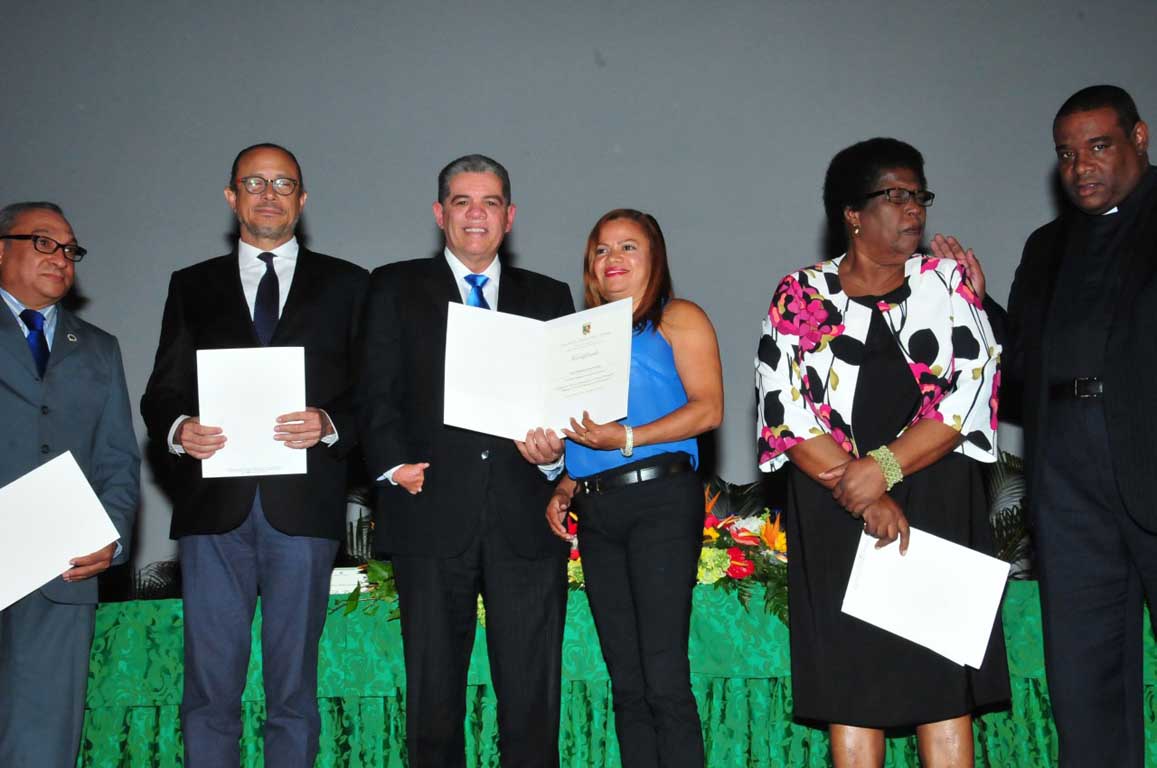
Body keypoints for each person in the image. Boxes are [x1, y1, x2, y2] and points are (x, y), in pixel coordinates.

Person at [755, 138, 1008, 767]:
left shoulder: (946, 285)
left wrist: (885, 469)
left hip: (938, 506)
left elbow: (971, 390)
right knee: (853, 690)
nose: (913, 207)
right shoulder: (799, 294)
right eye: (894, 194)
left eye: (918, 193)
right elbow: (784, 413)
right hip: (836, 508)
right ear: (853, 212)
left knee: (942, 689)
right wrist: (867, 496)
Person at [140, 143, 368, 767]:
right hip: (215, 509)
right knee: (210, 691)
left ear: (303, 199)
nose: (269, 194)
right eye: (255, 183)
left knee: (292, 692)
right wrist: (179, 426)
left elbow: (373, 395)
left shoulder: (350, 284)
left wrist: (327, 422)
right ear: (232, 197)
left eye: (284, 183)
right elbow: (162, 390)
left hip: (304, 509)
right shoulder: (191, 285)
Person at [358, 154, 576, 767]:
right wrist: (392, 463)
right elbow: (373, 390)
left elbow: (566, 404)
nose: (475, 214)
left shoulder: (549, 296)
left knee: (533, 700)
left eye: (488, 203)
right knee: (432, 700)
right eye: (461, 202)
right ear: (439, 214)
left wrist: (557, 457)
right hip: (427, 511)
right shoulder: (394, 286)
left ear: (510, 217)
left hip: (525, 516)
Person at [999, 84, 1156, 767]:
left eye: (1098, 146)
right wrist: (975, 308)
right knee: (1081, 676)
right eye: (1066, 154)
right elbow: (1021, 369)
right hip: (1065, 473)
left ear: (1138, 138)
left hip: (1148, 454)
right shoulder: (1046, 245)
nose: (1080, 167)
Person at [545, 209, 723, 767]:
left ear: (655, 259)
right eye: (601, 249)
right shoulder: (581, 336)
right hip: (597, 511)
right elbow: (584, 430)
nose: (612, 258)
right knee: (626, 681)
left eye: (628, 247)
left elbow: (709, 409)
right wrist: (565, 486)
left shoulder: (678, 317)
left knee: (663, 673)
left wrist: (627, 436)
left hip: (660, 504)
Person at [0, 202, 140, 767]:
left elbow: (117, 459)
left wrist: (110, 533)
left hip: (59, 570)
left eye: (70, 249)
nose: (61, 257)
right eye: (43, 242)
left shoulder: (100, 348)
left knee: (42, 741)